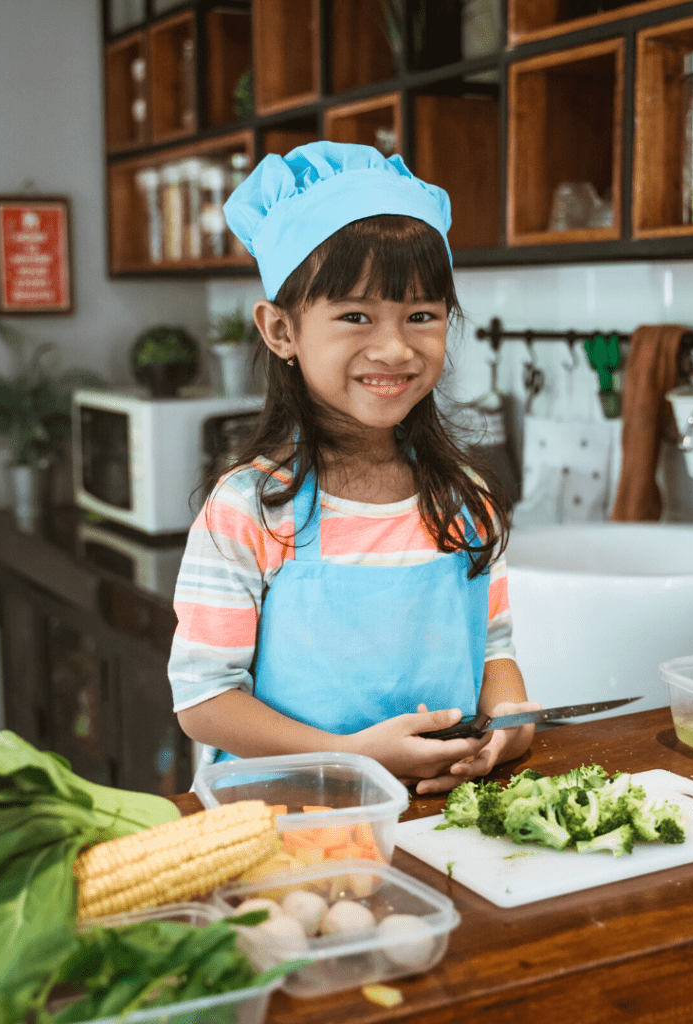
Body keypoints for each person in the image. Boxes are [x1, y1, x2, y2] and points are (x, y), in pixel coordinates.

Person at [168, 141, 538, 794]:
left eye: (421, 316)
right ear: (280, 330)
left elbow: (495, 656)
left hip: (436, 820)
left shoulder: (465, 500)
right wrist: (350, 756)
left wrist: (506, 733)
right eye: (355, 316)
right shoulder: (248, 509)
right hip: (284, 822)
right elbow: (204, 703)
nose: (394, 347)